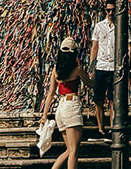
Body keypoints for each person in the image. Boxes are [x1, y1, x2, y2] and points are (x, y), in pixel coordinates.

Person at [39, 36, 93, 169]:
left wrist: (44, 115)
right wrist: (93, 73)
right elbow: (90, 84)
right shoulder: (77, 69)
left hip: (60, 108)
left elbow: (51, 94)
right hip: (71, 106)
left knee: (69, 149)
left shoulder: (56, 70)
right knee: (74, 150)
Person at [89, 0, 116, 139]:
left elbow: (127, 48)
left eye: (113, 10)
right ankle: (101, 129)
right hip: (101, 66)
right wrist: (91, 69)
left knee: (112, 99)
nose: (110, 13)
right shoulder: (99, 26)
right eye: (108, 10)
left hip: (114, 67)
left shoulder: (120, 26)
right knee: (98, 99)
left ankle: (112, 129)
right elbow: (94, 47)